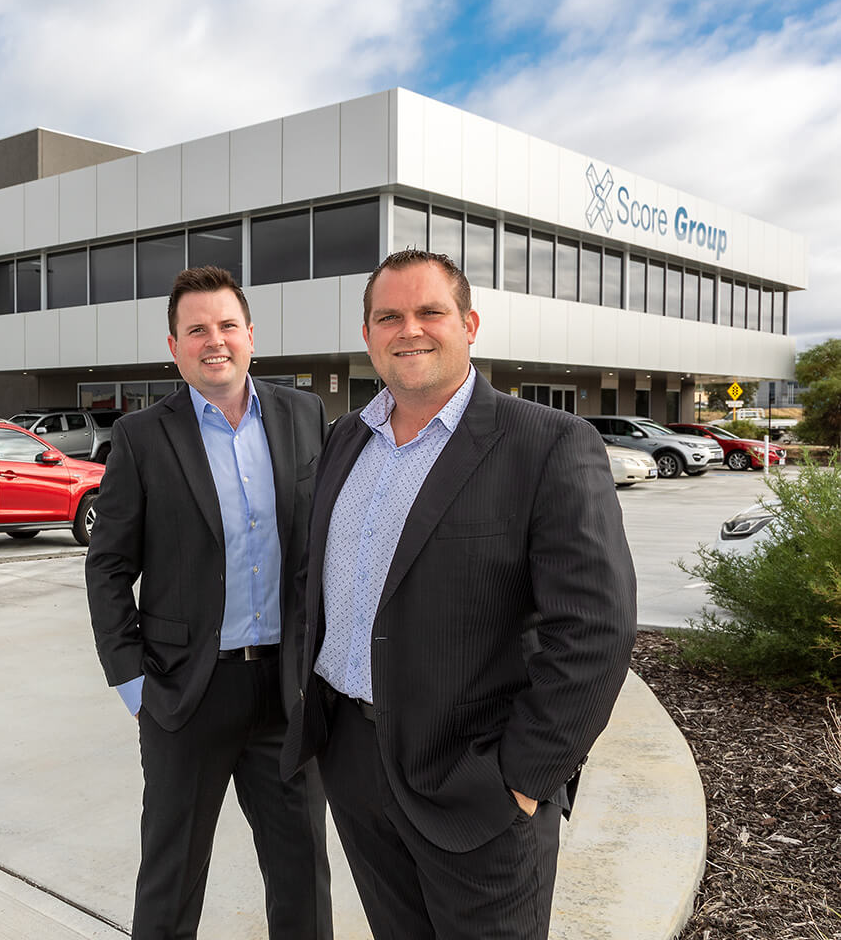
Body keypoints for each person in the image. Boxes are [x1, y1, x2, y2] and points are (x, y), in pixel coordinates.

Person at [280, 249, 637, 940]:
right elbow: (315, 580)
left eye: (429, 312)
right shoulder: (345, 440)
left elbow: (596, 628)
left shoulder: (548, 444)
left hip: (473, 779)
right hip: (352, 758)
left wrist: (525, 780)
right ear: (368, 336)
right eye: (389, 316)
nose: (409, 329)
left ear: (469, 323)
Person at [87, 266, 333, 939]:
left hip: (285, 690)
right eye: (197, 329)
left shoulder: (304, 415)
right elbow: (108, 567)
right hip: (185, 693)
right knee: (171, 878)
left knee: (303, 874)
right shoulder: (141, 439)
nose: (214, 340)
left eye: (227, 325)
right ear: (175, 346)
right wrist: (136, 684)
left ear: (251, 335)